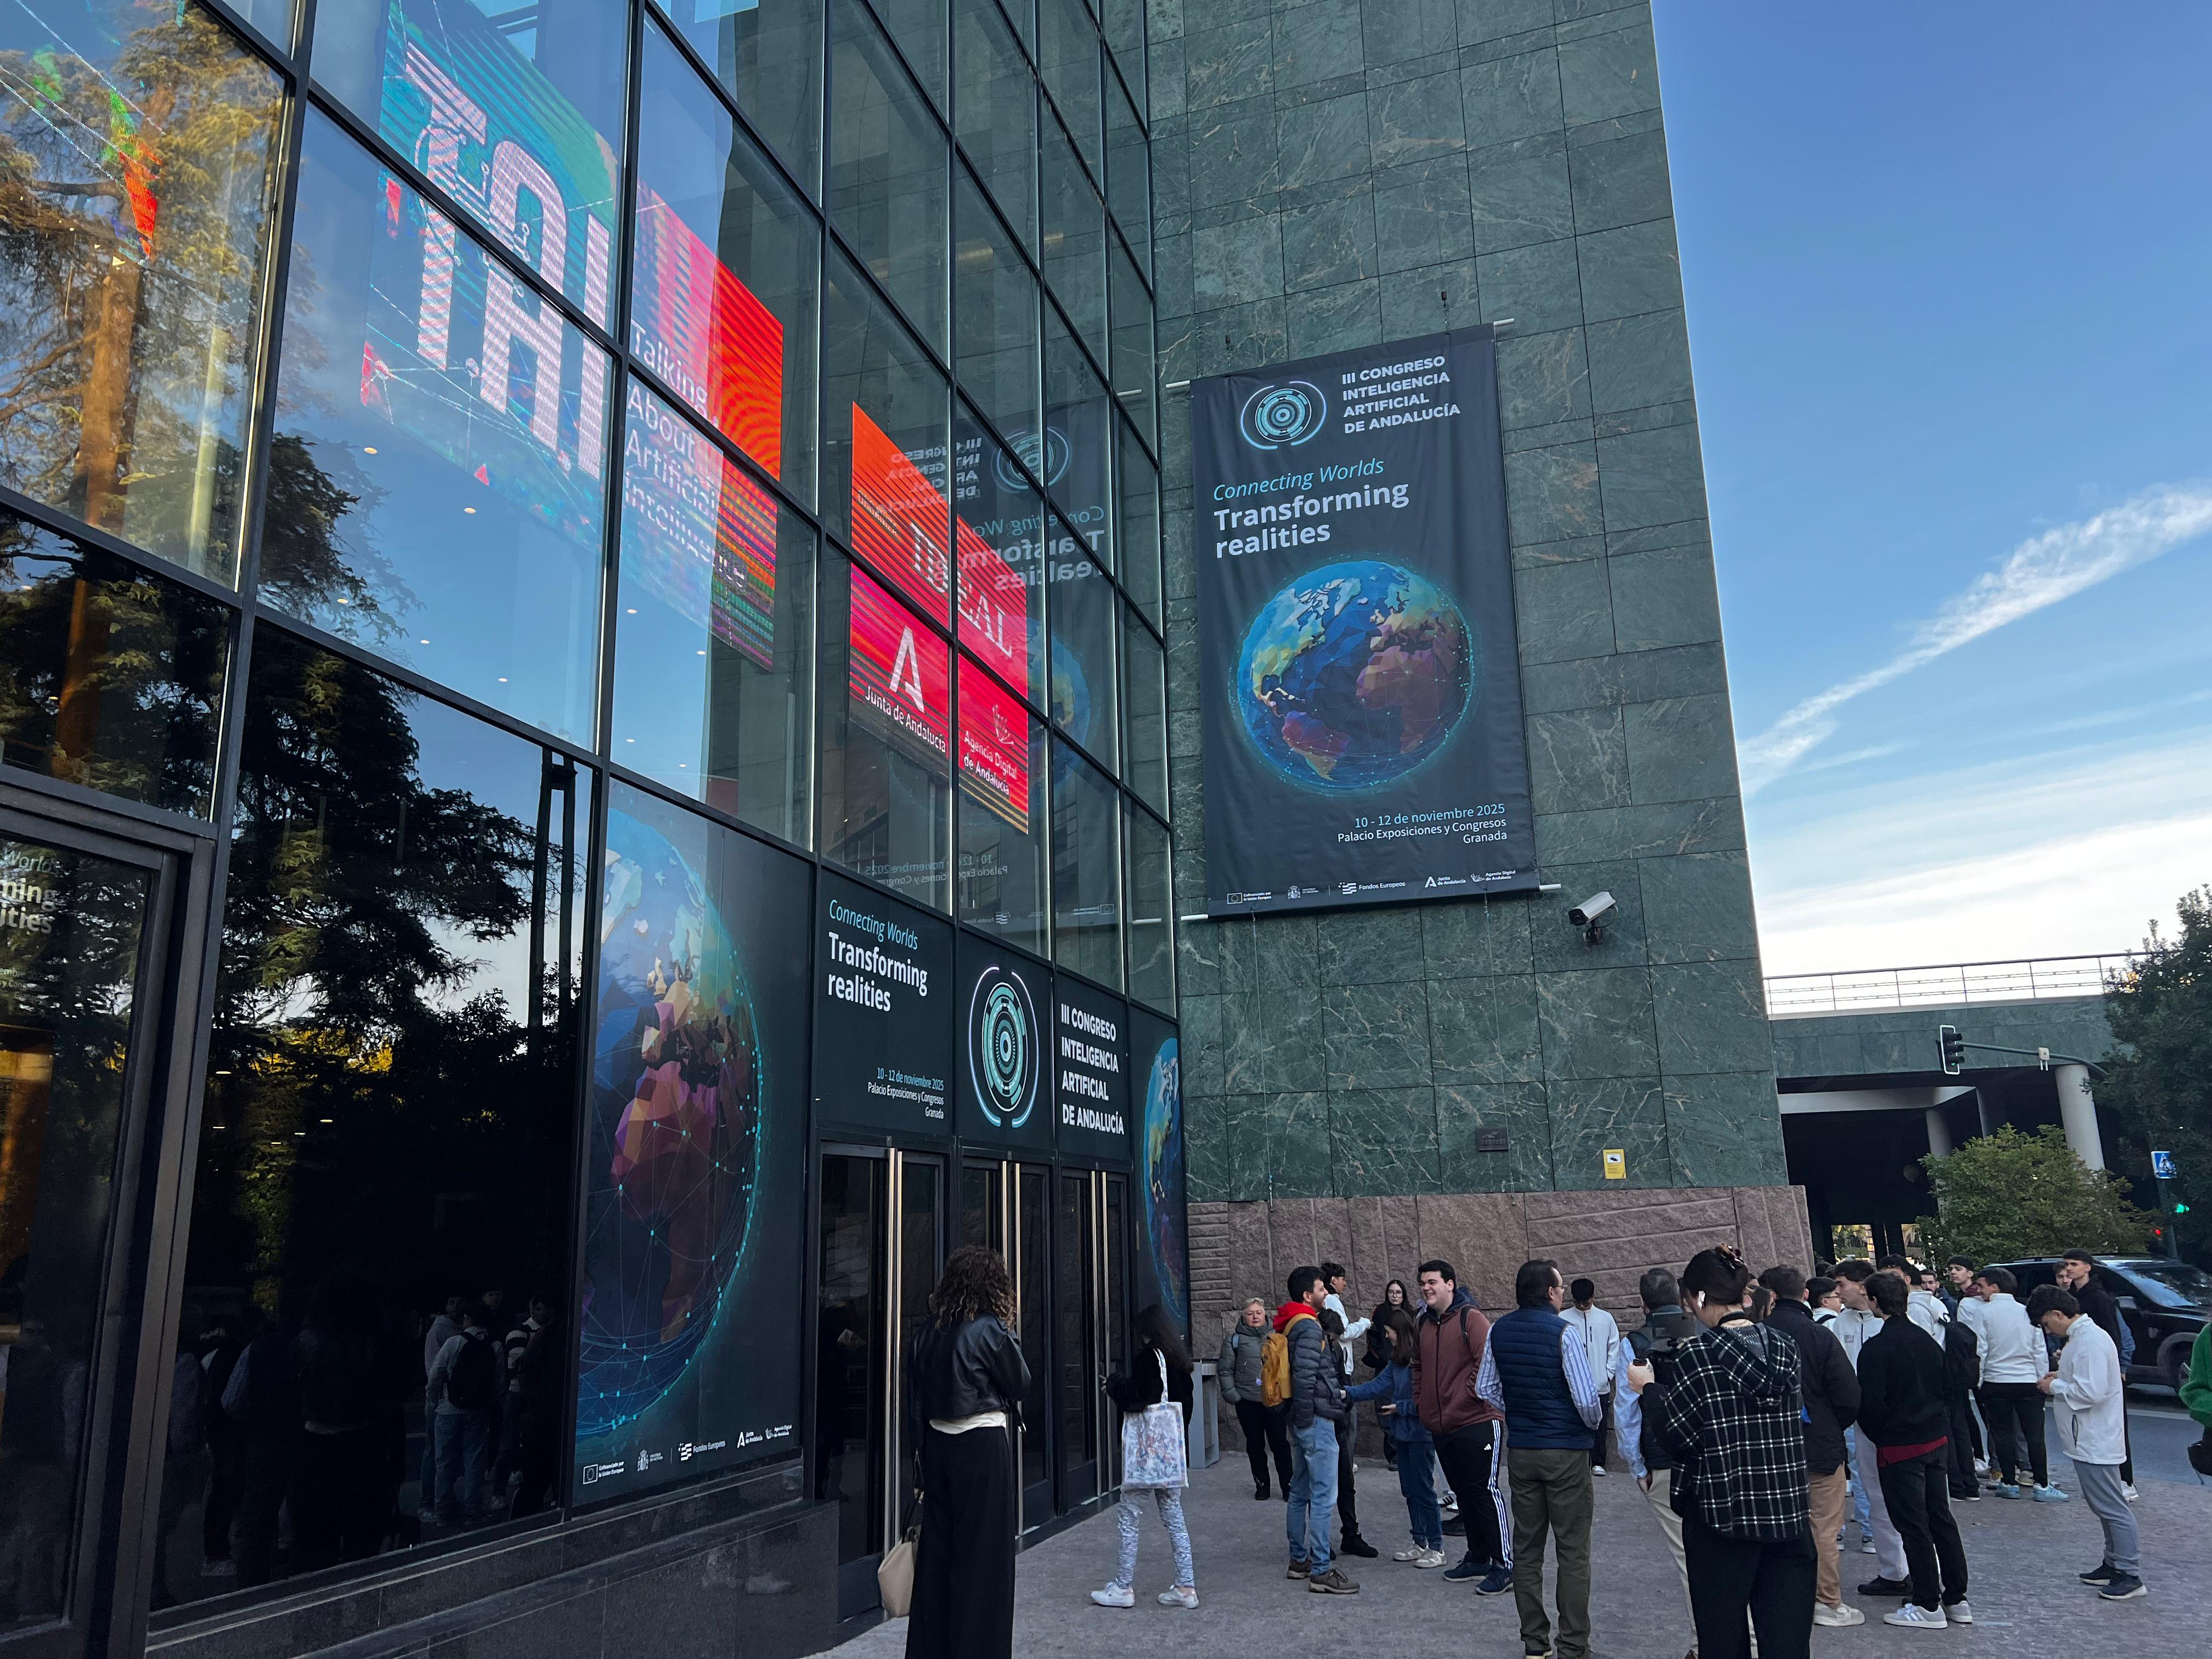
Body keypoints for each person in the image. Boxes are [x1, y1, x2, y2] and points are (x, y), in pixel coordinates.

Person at [1633, 1248, 1815, 1659]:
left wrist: (1648, 1390)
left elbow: (1679, 1435)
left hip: (1723, 1512)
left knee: (1723, 1640)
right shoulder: (1786, 1347)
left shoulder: (1698, 1354)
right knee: (1787, 1642)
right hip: (1787, 1511)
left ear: (1696, 1299)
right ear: (1745, 1297)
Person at [906, 1246, 1029, 1659]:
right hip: (982, 1447)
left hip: (938, 1447)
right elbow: (1020, 1382)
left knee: (938, 1558)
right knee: (986, 1561)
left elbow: (915, 1406)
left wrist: (919, 1465)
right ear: (994, 1286)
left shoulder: (926, 1332)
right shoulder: (991, 1330)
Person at [1478, 1260, 1602, 1659]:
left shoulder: (1498, 1330)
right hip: (1566, 1450)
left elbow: (1486, 1388)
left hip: (1524, 1450)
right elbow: (1587, 1401)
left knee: (1527, 1550)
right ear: (1549, 1293)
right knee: (1573, 1550)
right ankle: (1573, 1644)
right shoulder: (1563, 1332)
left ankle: (1534, 1643)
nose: (1563, 1293)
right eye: (1560, 1287)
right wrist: (1589, 1427)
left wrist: (1519, 1412)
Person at [1855, 1270, 1970, 1628]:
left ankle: (1926, 1603)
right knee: (1941, 1520)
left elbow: (1869, 1405)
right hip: (1936, 1439)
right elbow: (1951, 1389)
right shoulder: (1927, 1340)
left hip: (1900, 1445)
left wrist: (1883, 1435)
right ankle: (1955, 1597)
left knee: (1913, 1526)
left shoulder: (1876, 1348)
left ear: (1874, 1301)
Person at [1760, 1265, 1863, 1628]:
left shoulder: (1756, 1337)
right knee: (1823, 1525)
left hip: (1769, 1449)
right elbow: (1849, 1394)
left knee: (1774, 1524)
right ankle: (1825, 1599)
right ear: (1804, 1294)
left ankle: (1776, 1596)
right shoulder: (1820, 1336)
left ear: (1769, 1296)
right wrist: (1832, 1425)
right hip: (1820, 1445)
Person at [2029, 1285, 2143, 1601]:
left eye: (2047, 1325)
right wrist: (2061, 1377)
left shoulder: (2089, 1340)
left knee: (2112, 1507)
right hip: (2089, 1437)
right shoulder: (2083, 1338)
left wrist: (2055, 1387)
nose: (2048, 1331)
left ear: (2058, 1314)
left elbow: (2092, 1392)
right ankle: (2114, 1563)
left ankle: (2129, 1572)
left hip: (2095, 1438)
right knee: (2104, 1506)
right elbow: (2088, 1383)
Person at [1409, 1259, 1509, 1591]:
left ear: (1450, 1284)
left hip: (1478, 1420)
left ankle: (1505, 1565)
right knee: (1464, 1495)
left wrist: (1464, 1397)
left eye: (1433, 1282)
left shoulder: (1473, 1319)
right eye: (1423, 1282)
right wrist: (1424, 1403)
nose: (1427, 1287)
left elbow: (1488, 1365)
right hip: (1441, 1425)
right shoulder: (1423, 1322)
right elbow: (1418, 1367)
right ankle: (1477, 1558)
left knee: (1485, 1492)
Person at [1613, 1267, 1700, 1643]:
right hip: (1709, 1454)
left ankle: (1704, 1642)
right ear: (1682, 1298)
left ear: (1643, 1303)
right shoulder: (1702, 1331)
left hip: (1662, 1458)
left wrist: (1637, 1466)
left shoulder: (1634, 1342)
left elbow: (1627, 1411)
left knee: (1688, 1558)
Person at [1094, 1304, 1197, 1609]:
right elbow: (1183, 1408)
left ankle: (1123, 1587)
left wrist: (1114, 1384)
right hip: (1170, 1457)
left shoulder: (1148, 1358)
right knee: (1174, 1518)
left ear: (1145, 1332)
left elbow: (1139, 1399)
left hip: (1144, 1457)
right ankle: (1186, 1586)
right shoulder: (1179, 1360)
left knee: (1129, 1516)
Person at [1279, 1266, 1358, 1594]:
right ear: (1307, 1296)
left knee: (1300, 1491)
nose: (1327, 1293)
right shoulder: (1310, 1328)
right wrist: (1308, 1419)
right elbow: (1306, 1378)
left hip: (1300, 1420)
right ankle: (1322, 1571)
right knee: (1324, 1495)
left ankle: (1300, 1561)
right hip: (1315, 1420)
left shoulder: (1289, 1324)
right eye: (1322, 1288)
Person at [1344, 1308, 1443, 1566]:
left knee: (1424, 1491)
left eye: (1388, 1333)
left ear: (1399, 1332)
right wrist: (1347, 1394)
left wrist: (1402, 1408)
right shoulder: (1397, 1362)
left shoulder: (1418, 1361)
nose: (1387, 1337)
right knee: (1410, 1491)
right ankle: (1419, 1541)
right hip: (1404, 1433)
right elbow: (1376, 1387)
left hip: (1420, 1434)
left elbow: (1428, 1400)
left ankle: (1436, 1546)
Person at [1830, 1261, 1905, 1591]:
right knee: (1870, 1487)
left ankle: (1912, 1567)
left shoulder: (1896, 1325)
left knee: (1901, 1495)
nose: (1837, 1291)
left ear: (1863, 1287)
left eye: (1842, 1283)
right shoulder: (1837, 1325)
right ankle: (1892, 1568)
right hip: (1857, 1417)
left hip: (1893, 1420)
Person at [1965, 1267, 2055, 1499]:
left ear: (1995, 1287)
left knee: (2002, 1434)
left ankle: (2008, 1482)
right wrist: (2041, 1378)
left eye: (1982, 1285)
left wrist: (1980, 1380)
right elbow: (2039, 1351)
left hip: (1996, 1381)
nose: (1979, 1290)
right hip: (2028, 1380)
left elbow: (1980, 1350)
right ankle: (2041, 1484)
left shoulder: (1983, 1313)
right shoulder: (2026, 1312)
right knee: (2034, 1435)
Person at [2056, 1250, 2134, 1496]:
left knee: (2114, 1423)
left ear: (2088, 1267)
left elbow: (2114, 1333)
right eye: (2067, 1264)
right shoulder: (2076, 1295)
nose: (2069, 1269)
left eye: (2074, 1264)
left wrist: (2119, 1366)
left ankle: (2125, 1479)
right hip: (2088, 1362)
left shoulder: (2099, 1297)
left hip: (2104, 1363)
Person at [1319, 1263, 1376, 1559]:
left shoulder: (1331, 1344)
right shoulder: (1327, 1311)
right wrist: (1365, 1323)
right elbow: (1343, 1334)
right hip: (1326, 1411)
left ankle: (1350, 1534)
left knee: (1344, 1478)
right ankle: (1322, 1543)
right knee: (1324, 1484)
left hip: (1339, 1397)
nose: (1329, 1290)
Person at [426, 1302, 499, 1529]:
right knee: (475, 1462)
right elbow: (499, 1384)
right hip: (478, 1411)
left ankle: (443, 1512)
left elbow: (435, 1376)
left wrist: (436, 1400)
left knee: (445, 1462)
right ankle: (473, 1510)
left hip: (449, 1409)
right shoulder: (494, 1345)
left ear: (468, 1319)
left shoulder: (454, 1343)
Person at [1220, 1296, 1291, 1498]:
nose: (1255, 1317)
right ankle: (1262, 1486)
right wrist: (1234, 1396)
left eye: (1258, 1313)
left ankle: (1289, 1486)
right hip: (1248, 1402)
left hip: (1275, 1400)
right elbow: (1225, 1370)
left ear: (1265, 1315)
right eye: (1250, 1314)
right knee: (1255, 1445)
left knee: (1280, 1444)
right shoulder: (1234, 1340)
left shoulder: (1277, 1336)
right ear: (1244, 1317)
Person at [1562, 1279, 1620, 1476]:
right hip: (1572, 1385)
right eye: (1578, 1303)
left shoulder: (1606, 1319)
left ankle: (1598, 1461)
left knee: (1600, 1425)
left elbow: (1614, 1347)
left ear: (1593, 1299)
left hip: (1600, 1384)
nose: (1581, 1306)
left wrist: (1608, 1374)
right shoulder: (1564, 1318)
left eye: (1585, 1303)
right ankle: (1577, 1461)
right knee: (1574, 1422)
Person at [1363, 1281, 1410, 1469]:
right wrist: (1384, 1358)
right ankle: (1394, 1455)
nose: (1395, 1295)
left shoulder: (1410, 1313)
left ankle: (1404, 1453)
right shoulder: (1380, 1312)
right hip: (1384, 1365)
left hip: (1404, 1365)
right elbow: (1373, 1338)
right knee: (1384, 1410)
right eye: (1391, 1292)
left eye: (1398, 1292)